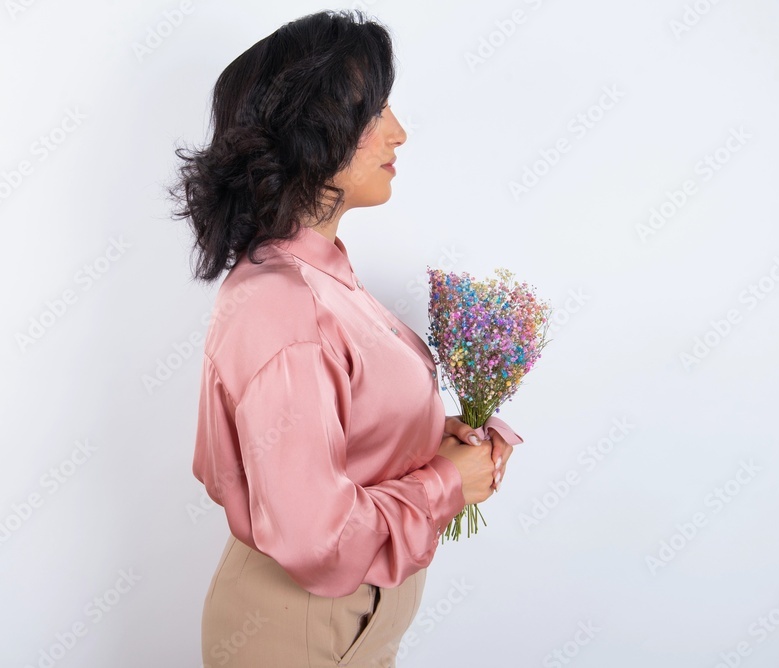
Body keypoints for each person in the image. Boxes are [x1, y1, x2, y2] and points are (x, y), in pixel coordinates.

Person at [169, 10, 522, 667]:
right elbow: (315, 534)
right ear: (314, 134)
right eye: (375, 109)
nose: (399, 132)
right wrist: (446, 485)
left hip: (352, 626)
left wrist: (420, 441)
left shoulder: (322, 273)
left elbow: (329, 434)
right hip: (295, 632)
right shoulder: (285, 303)